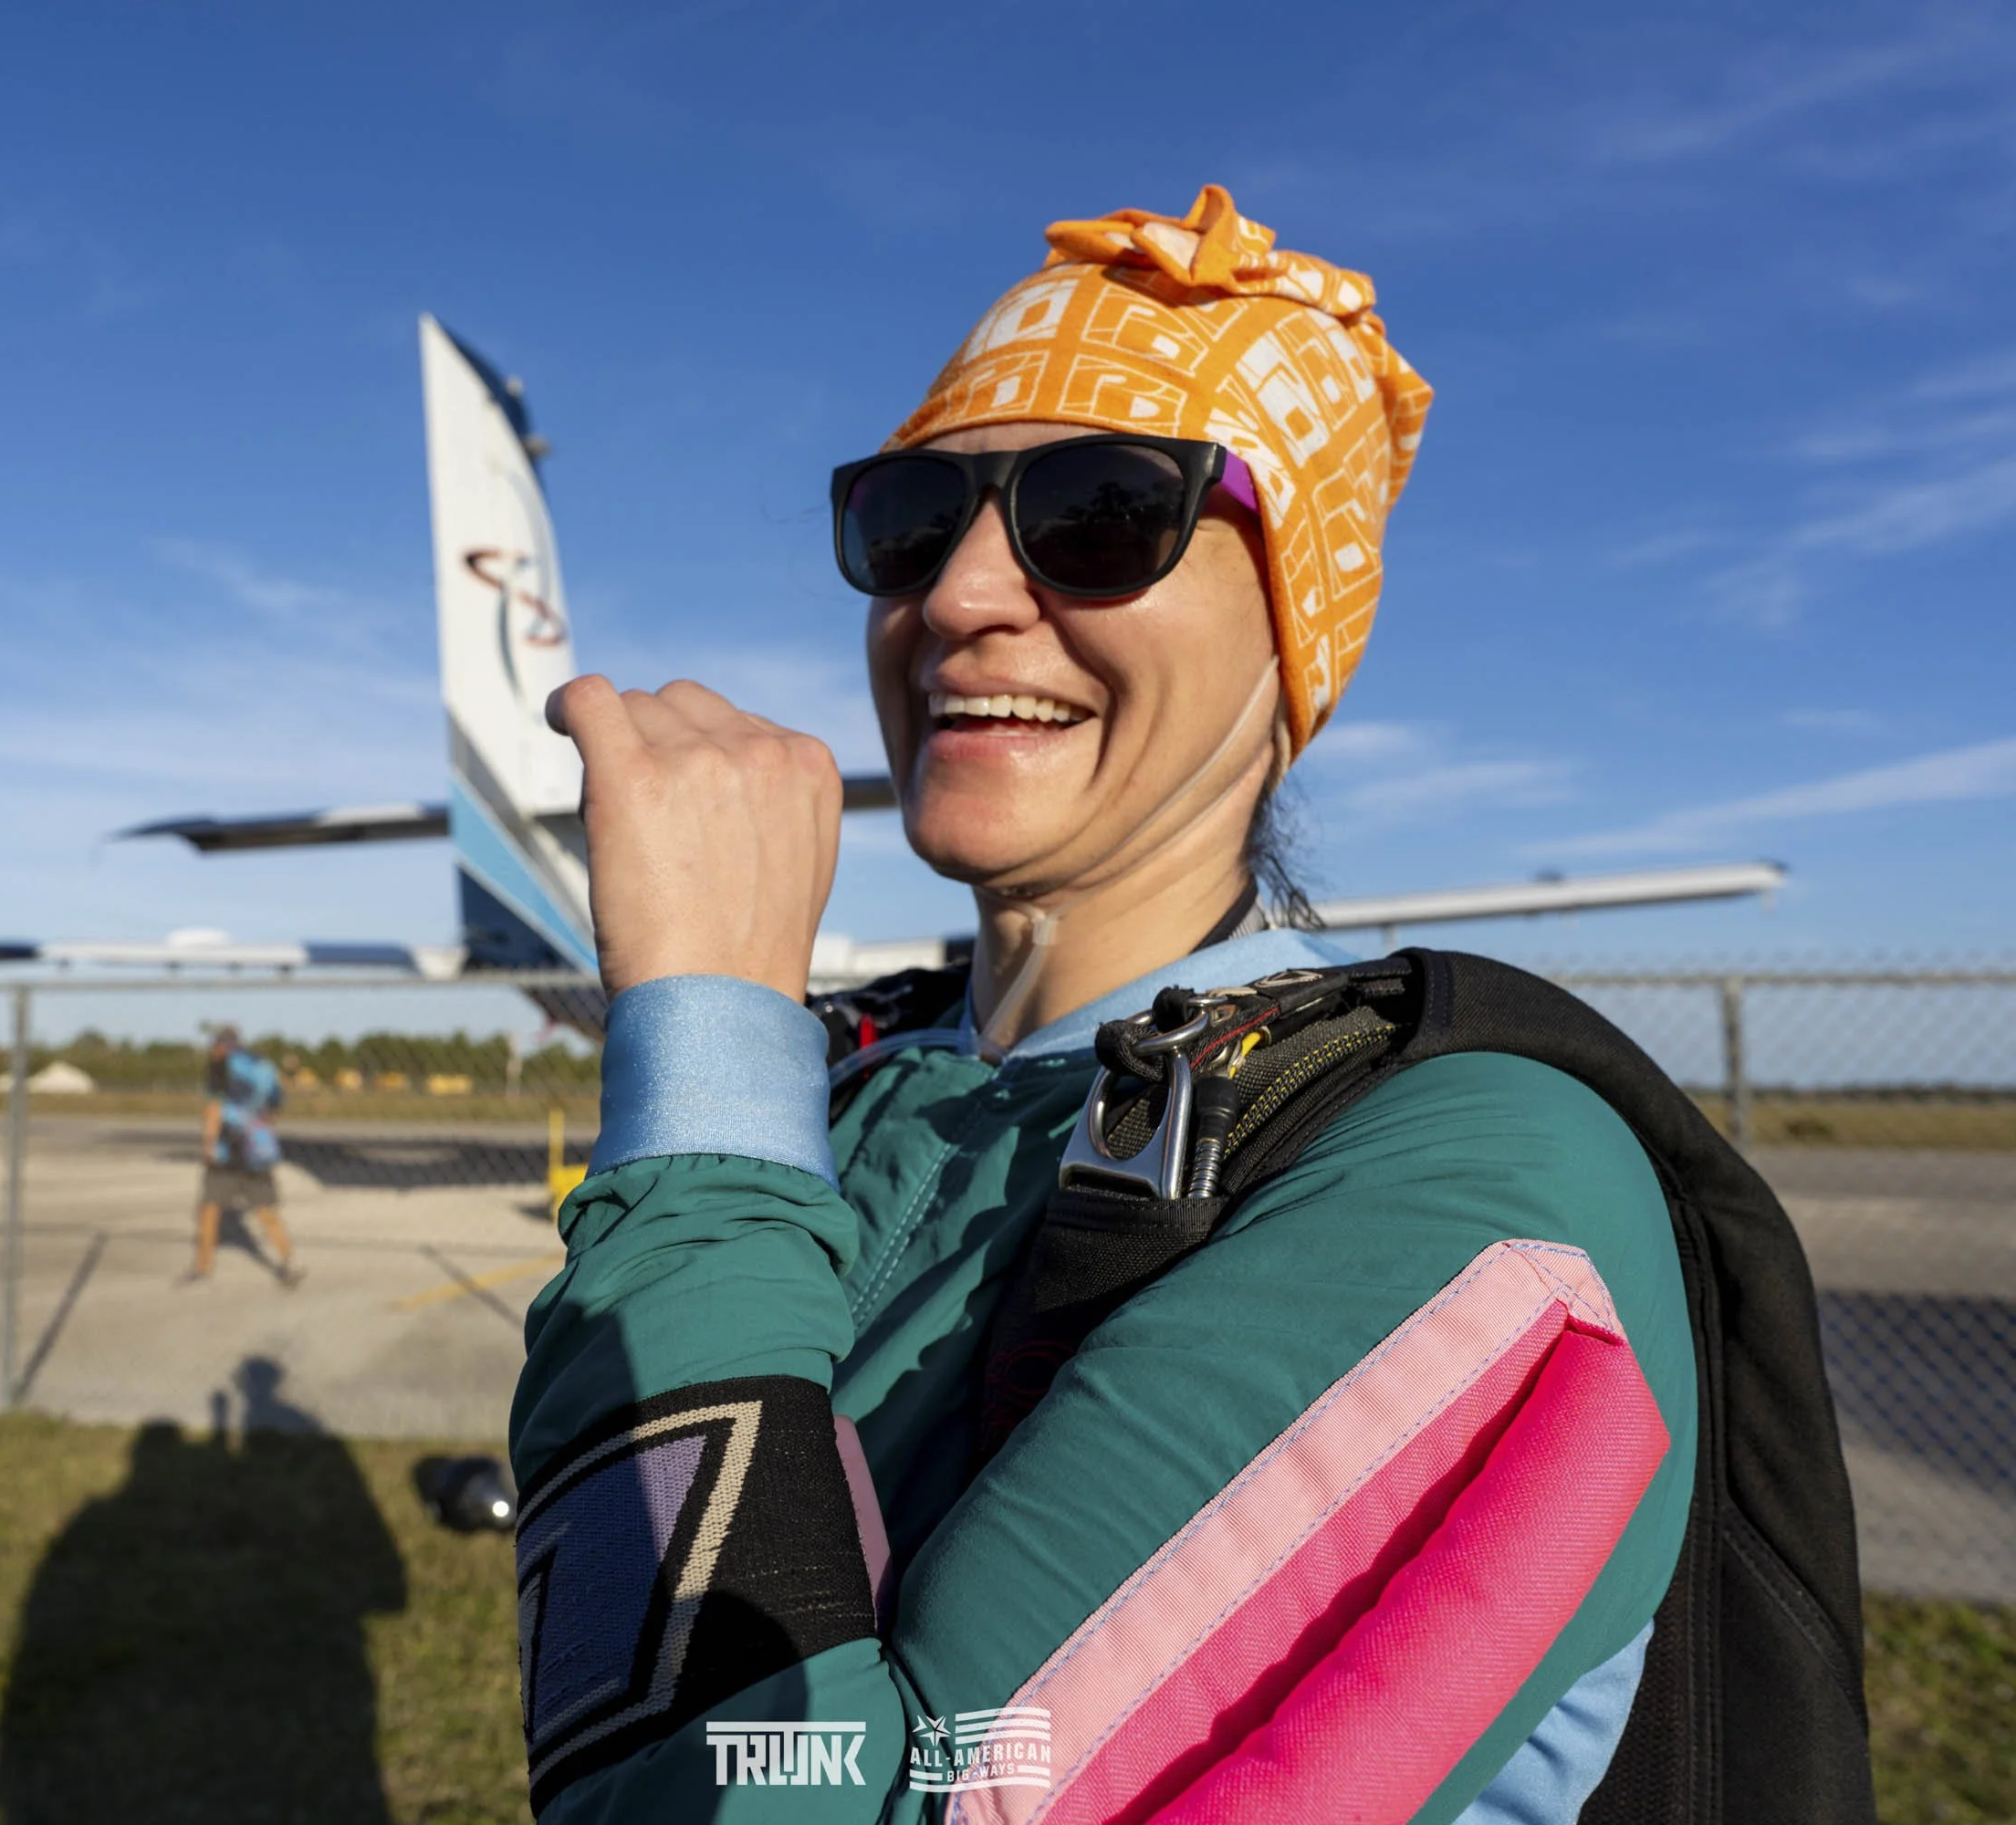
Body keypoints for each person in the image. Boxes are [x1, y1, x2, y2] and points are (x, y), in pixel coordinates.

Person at [510, 187, 1695, 1822]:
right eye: (912, 522)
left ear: (1295, 644)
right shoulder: (858, 1093)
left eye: (1100, 510)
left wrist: (709, 1042)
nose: (961, 595)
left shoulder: (1475, 1189)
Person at [185, 1026, 303, 1287]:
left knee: (209, 1208)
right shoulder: (262, 1067)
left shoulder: (221, 1067)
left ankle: (203, 1267)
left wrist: (209, 1144)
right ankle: (291, 1262)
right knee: (266, 1212)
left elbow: (214, 1108)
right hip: (257, 1149)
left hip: (226, 1151)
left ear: (220, 1045)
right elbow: (274, 1108)